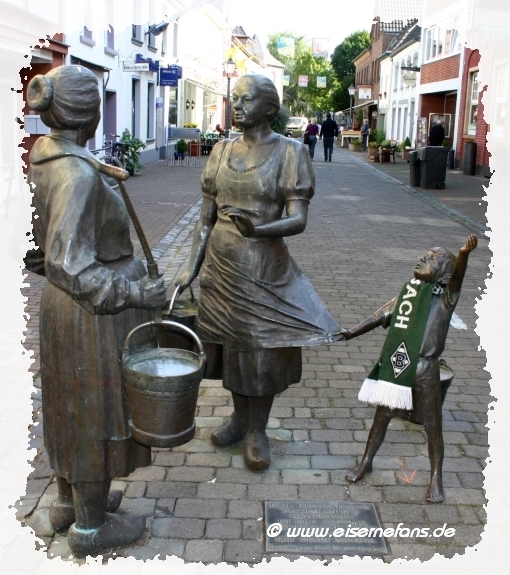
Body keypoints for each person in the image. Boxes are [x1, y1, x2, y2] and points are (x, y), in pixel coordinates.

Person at [26, 65, 167, 556]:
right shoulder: (77, 173)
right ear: (89, 116)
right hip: (92, 314)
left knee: (68, 404)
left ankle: (69, 505)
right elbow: (71, 264)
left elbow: (34, 249)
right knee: (93, 409)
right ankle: (90, 527)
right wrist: (135, 294)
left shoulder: (42, 160)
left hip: (61, 309)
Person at [176, 74, 341, 471]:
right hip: (220, 267)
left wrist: (259, 230)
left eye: (246, 100)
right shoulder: (219, 152)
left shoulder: (290, 152)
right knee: (231, 347)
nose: (237, 105)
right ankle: (237, 418)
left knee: (261, 351)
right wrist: (189, 267)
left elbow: (298, 219)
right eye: (235, 99)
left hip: (263, 269)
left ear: (268, 107)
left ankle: (258, 430)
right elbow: (204, 219)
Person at [342, 235, 477, 503]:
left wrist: (464, 255)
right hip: (399, 364)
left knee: (433, 425)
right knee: (382, 416)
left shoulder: (446, 299)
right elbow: (377, 317)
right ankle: (366, 461)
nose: (423, 258)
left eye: (432, 259)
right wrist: (350, 332)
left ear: (444, 275)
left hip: (426, 368)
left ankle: (436, 477)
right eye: (425, 255)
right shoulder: (408, 295)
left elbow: (458, 278)